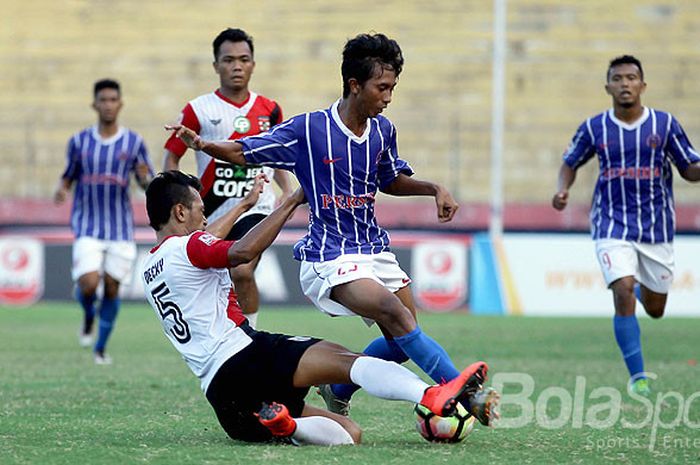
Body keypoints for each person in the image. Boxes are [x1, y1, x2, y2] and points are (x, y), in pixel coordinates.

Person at [166, 33, 482, 417]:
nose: (388, 96)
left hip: (374, 249)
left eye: (392, 88)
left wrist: (434, 188)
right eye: (382, 87)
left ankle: (338, 388)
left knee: (403, 340)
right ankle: (462, 393)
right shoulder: (310, 129)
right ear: (354, 85)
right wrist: (202, 146)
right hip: (329, 255)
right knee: (393, 313)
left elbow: (389, 179)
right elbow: (244, 150)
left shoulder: (384, 131)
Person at [141, 170, 498, 445]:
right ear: (179, 211)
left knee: (350, 434)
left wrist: (244, 205)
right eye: (201, 211)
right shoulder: (189, 248)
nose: (205, 219)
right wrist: (291, 201)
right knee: (349, 362)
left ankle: (289, 425)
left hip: (223, 399)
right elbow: (240, 253)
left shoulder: (152, 266)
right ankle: (431, 394)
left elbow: (203, 241)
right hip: (245, 356)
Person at [552, 55, 700, 395]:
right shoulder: (594, 128)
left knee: (657, 308)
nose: (625, 84)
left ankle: (636, 290)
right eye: (617, 78)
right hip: (611, 223)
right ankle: (638, 377)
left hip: (656, 230)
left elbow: (689, 168)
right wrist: (563, 188)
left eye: (631, 78)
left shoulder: (664, 125)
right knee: (621, 290)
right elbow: (570, 161)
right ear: (608, 86)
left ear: (643, 85)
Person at [163, 27, 292, 329]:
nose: (237, 66)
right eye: (229, 59)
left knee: (242, 270)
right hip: (211, 211)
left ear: (253, 65)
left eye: (244, 59)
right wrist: (176, 193)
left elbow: (280, 154)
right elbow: (172, 154)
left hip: (257, 205)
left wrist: (286, 189)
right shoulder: (198, 110)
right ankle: (224, 340)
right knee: (213, 283)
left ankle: (251, 338)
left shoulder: (269, 110)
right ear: (216, 66)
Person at [54, 78, 154, 365]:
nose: (108, 105)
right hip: (87, 225)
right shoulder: (79, 142)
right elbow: (69, 174)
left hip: (120, 229)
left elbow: (146, 181)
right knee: (88, 283)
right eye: (103, 100)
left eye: (113, 100)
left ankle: (100, 348)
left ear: (120, 104)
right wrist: (62, 189)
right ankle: (88, 317)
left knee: (111, 287)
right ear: (94, 104)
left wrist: (146, 177)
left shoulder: (133, 142)